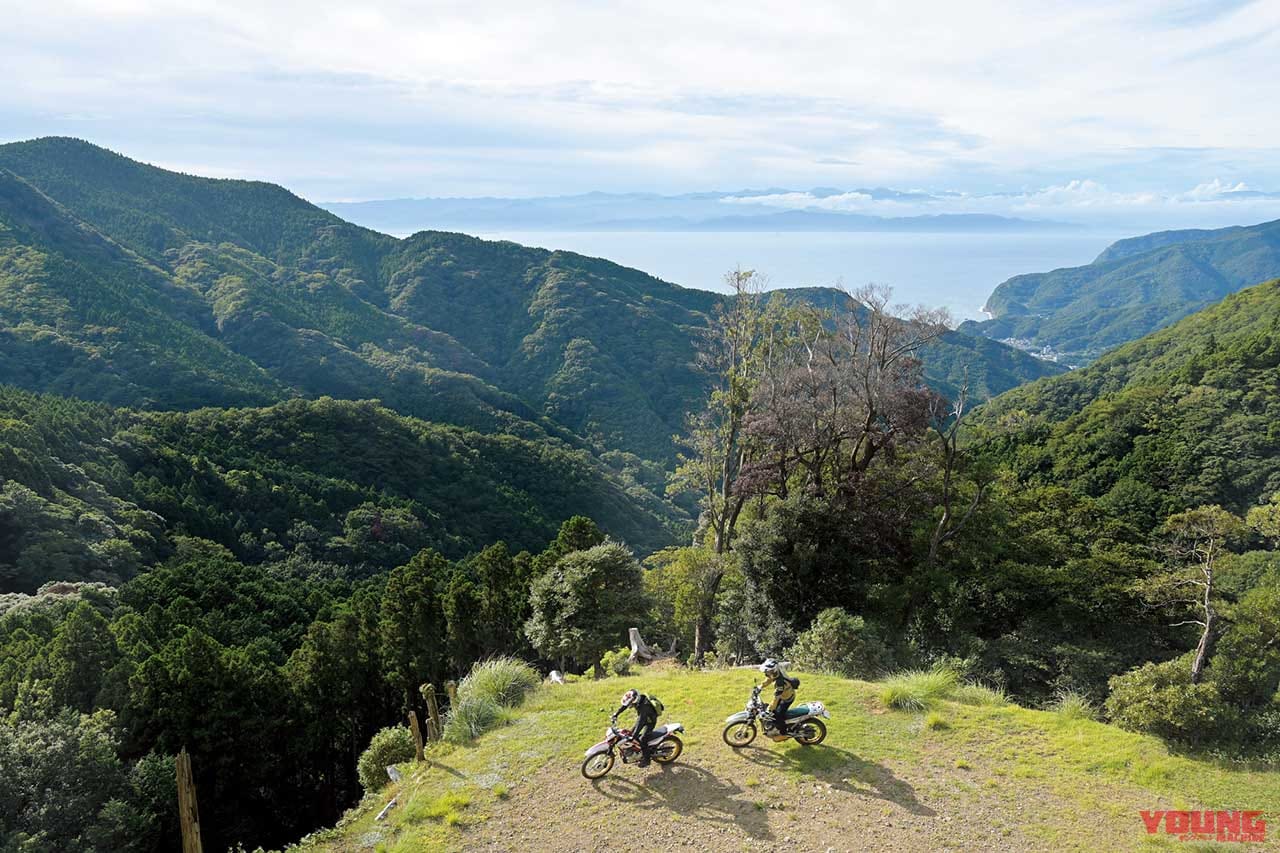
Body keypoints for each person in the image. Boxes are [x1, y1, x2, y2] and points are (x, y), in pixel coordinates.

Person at [611, 688, 658, 767]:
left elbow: (640, 722)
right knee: (631, 735)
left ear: (635, 701)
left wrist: (634, 735)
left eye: (631, 704)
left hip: (650, 721)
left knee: (642, 739)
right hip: (643, 718)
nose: (630, 706)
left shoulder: (644, 707)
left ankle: (647, 760)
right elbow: (625, 705)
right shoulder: (636, 699)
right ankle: (636, 751)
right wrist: (616, 714)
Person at [759, 658, 798, 734]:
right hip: (784, 695)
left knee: (779, 716)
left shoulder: (780, 682)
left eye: (767, 672)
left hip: (787, 698)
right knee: (773, 711)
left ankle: (784, 732)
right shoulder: (776, 673)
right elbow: (769, 679)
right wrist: (761, 686)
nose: (766, 674)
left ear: (773, 671)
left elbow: (776, 698)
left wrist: (769, 709)